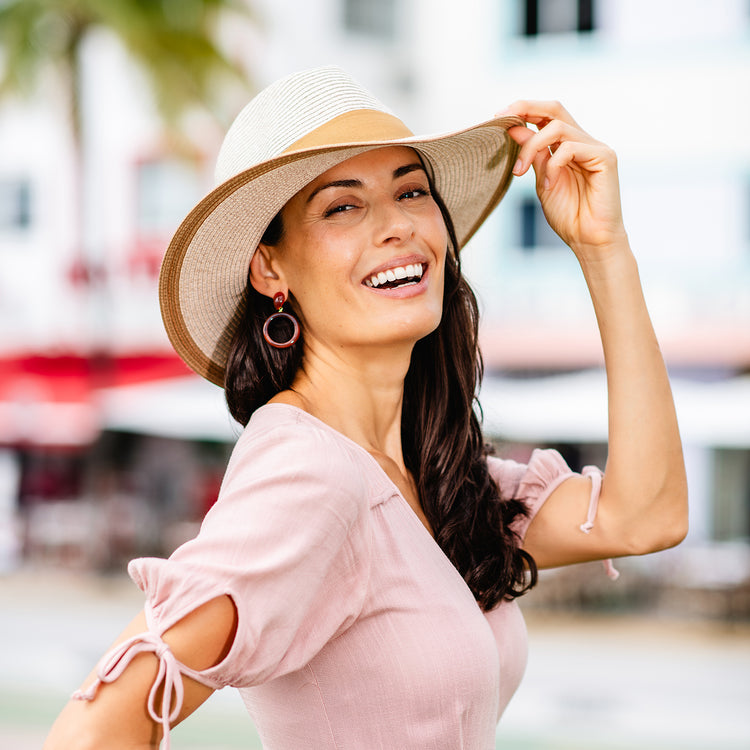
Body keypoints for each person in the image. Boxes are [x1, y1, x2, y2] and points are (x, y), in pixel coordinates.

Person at [44, 66, 688, 750]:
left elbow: (644, 516)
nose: (397, 226)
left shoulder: (429, 477)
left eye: (411, 191)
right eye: (342, 206)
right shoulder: (310, 475)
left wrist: (603, 249)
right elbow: (93, 730)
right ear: (270, 270)